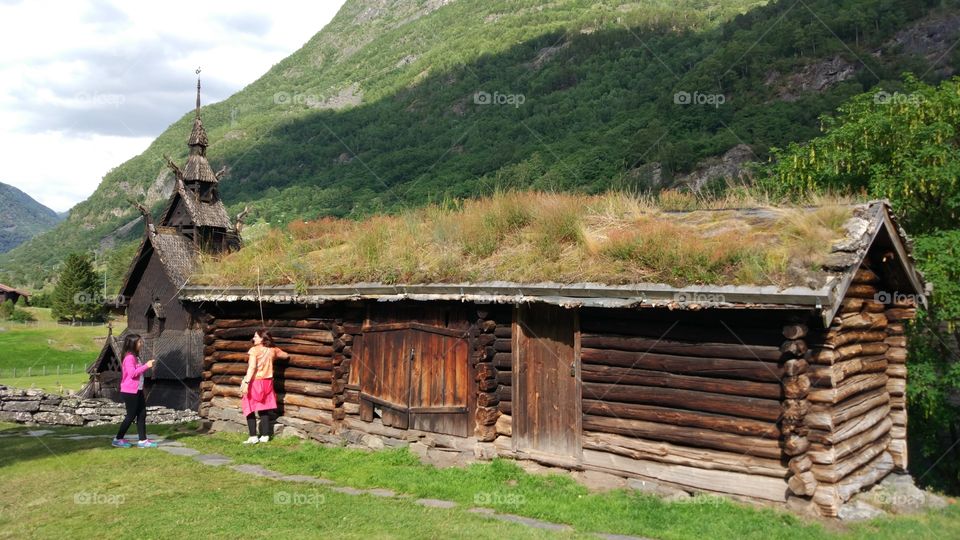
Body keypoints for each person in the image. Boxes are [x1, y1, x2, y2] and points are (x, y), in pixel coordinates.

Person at [240, 329, 288, 444]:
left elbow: (251, 368)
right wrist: (274, 350)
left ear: (262, 338)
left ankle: (253, 436)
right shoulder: (273, 350)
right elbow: (286, 356)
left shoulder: (254, 350)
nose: (253, 338)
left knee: (249, 408)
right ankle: (265, 436)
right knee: (263, 409)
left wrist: (246, 383)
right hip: (267, 383)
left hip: (255, 382)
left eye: (256, 336)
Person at [112, 333, 157, 448]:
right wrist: (147, 365)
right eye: (139, 342)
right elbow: (132, 374)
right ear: (133, 344)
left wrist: (145, 365)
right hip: (129, 392)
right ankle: (118, 439)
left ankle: (142, 440)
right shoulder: (129, 358)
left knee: (142, 414)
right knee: (131, 415)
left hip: (137, 390)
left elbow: (136, 370)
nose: (141, 344)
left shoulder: (135, 357)